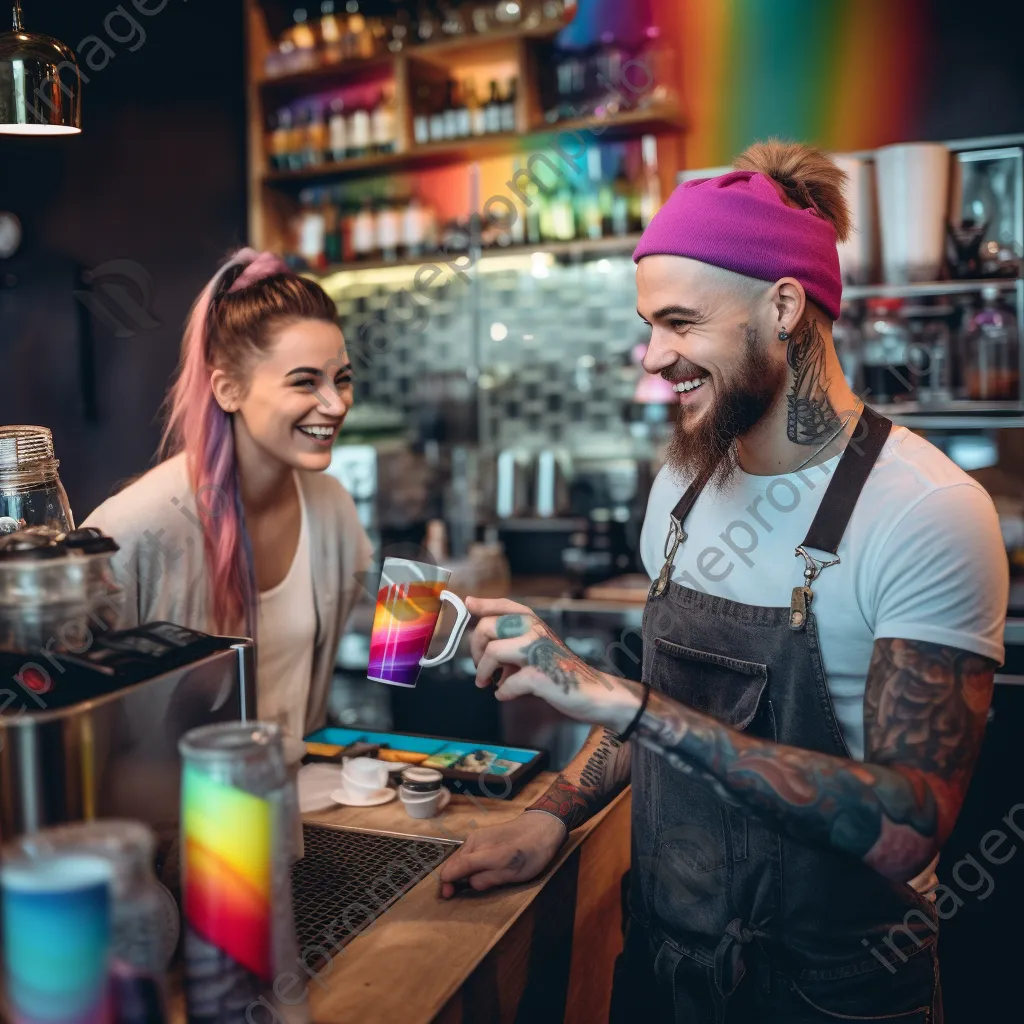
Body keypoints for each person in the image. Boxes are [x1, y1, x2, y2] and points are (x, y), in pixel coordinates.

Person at [439, 141, 1009, 1021]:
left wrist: (625, 703)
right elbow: (654, 701)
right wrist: (551, 816)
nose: (653, 358)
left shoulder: (925, 508)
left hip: (833, 996)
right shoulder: (683, 486)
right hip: (666, 970)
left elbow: (907, 826)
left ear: (783, 305)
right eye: (647, 326)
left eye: (680, 322)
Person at [84, 248, 372, 741]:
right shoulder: (131, 531)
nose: (334, 403)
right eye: (305, 382)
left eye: (341, 379)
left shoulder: (331, 507)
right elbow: (76, 716)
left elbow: (374, 627)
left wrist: (452, 629)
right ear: (228, 390)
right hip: (171, 816)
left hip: (299, 804)